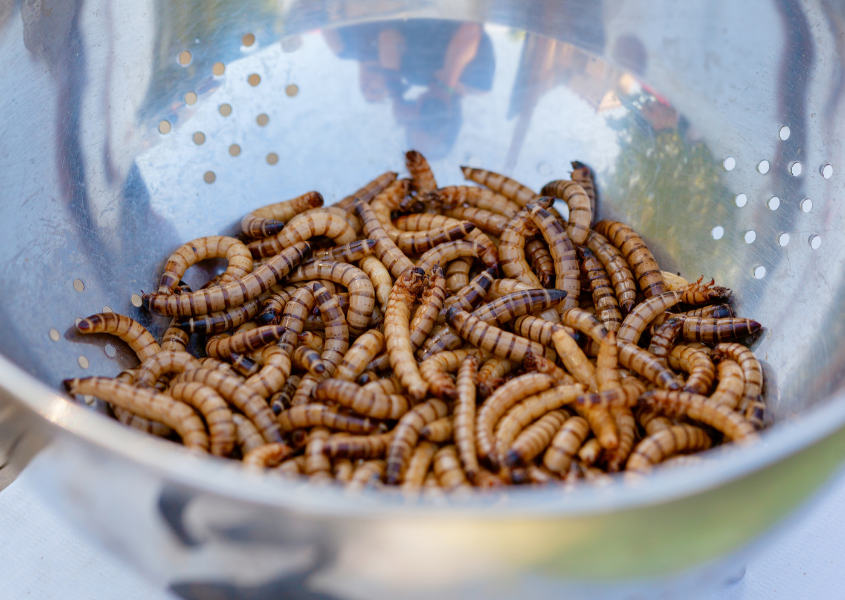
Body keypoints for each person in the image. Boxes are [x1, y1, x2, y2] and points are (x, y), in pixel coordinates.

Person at [324, 20, 495, 159]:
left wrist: (396, 95)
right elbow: (471, 26)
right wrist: (447, 84)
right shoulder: (478, 85)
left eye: (416, 122)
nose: (425, 115)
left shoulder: (414, 75)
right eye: (432, 124)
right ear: (452, 122)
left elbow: (388, 36)